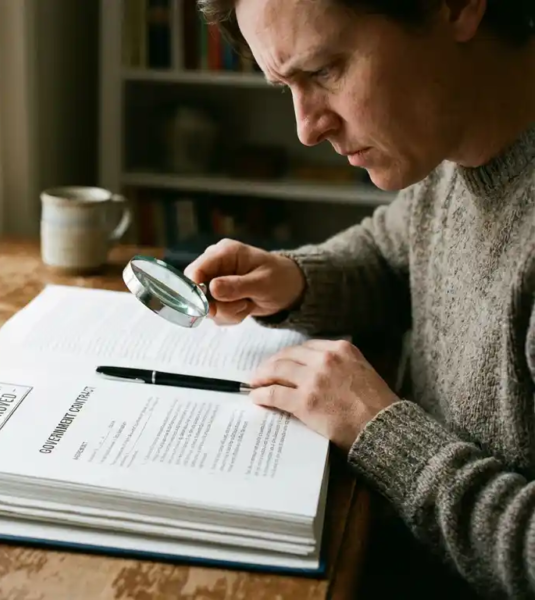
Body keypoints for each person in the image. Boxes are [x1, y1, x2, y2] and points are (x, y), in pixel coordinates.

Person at [185, 0, 535, 598]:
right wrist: (293, 278)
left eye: (323, 72)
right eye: (285, 85)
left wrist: (382, 431)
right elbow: (396, 251)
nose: (306, 127)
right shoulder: (456, 143)